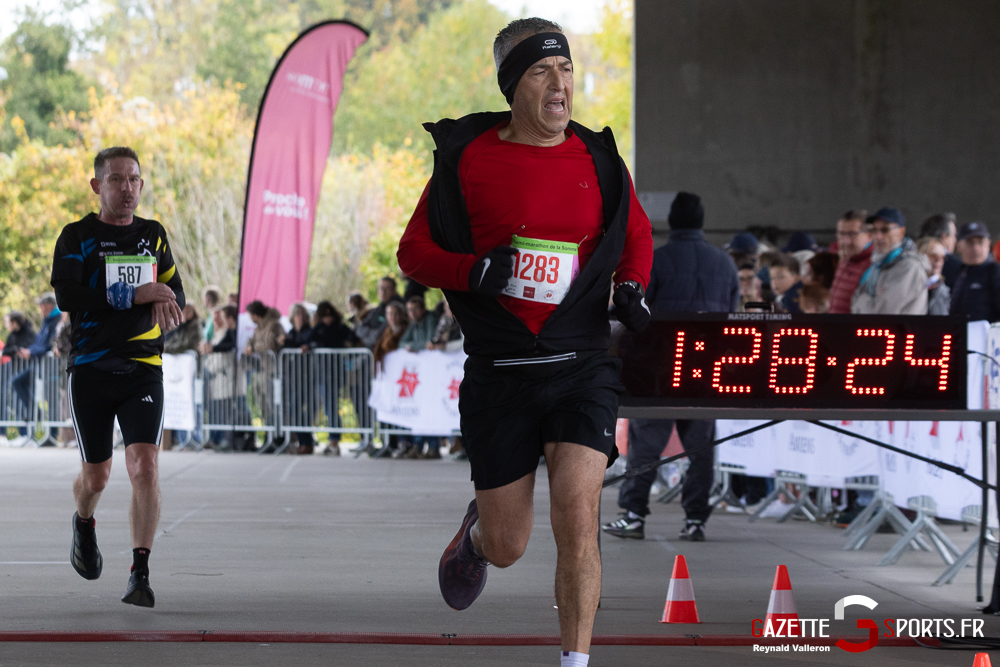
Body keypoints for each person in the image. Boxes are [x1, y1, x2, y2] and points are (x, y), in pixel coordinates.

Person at [396, 18, 653, 666]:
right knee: (511, 542)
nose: (560, 81)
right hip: (502, 371)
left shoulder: (598, 159)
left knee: (578, 511)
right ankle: (478, 539)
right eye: (542, 70)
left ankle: (575, 660)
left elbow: (635, 235)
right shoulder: (470, 159)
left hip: (582, 365)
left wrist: (632, 287)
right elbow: (413, 251)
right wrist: (472, 271)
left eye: (565, 67)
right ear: (514, 86)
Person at [50, 146, 185, 608]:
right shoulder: (77, 236)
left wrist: (166, 298)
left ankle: (140, 573)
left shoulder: (153, 235)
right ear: (97, 185)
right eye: (116, 180)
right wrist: (135, 294)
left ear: (141, 185)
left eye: (134, 180)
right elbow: (69, 295)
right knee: (97, 477)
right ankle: (83, 523)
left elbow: (173, 290)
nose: (126, 188)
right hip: (90, 368)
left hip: (143, 368)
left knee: (145, 467)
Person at [603, 192, 732, 545]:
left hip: (660, 371)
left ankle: (633, 516)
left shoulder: (656, 261)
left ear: (671, 222)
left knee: (646, 444)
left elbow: (636, 314)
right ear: (702, 222)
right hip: (708, 372)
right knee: (700, 449)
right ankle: (694, 521)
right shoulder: (725, 264)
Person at [851, 207, 927, 315]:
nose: (878, 236)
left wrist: (863, 300)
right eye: (874, 230)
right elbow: (855, 304)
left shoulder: (909, 267)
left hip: (898, 331)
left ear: (901, 232)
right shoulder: (878, 265)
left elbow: (883, 313)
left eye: (885, 230)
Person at [11, 293, 63, 427]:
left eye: (42, 305)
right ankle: (36, 414)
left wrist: (31, 352)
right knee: (18, 382)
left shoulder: (57, 319)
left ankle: (51, 433)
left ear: (49, 305)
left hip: (50, 365)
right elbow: (38, 342)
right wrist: (27, 351)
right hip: (40, 363)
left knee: (51, 399)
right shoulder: (46, 321)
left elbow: (50, 344)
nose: (40, 308)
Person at [950, 221, 1000, 322]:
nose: (976, 248)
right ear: (958, 246)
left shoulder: (995, 272)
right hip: (958, 334)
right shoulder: (955, 272)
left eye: (980, 242)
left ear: (988, 244)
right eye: (970, 243)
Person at [828, 210, 872, 313]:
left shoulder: (873, 266)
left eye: (852, 234)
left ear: (869, 236)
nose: (845, 241)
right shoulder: (845, 259)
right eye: (841, 234)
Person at [355, 277, 404, 349]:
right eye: (380, 288)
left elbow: (382, 333)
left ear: (394, 290)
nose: (383, 291)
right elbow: (360, 328)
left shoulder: (399, 308)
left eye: (386, 288)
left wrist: (369, 337)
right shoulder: (377, 310)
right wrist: (371, 335)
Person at [919, 213, 960, 288]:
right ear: (943, 237)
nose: (938, 261)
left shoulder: (906, 256)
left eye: (942, 258)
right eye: (953, 235)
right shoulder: (956, 268)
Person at [917, 237, 951, 316]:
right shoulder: (908, 284)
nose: (938, 260)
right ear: (920, 255)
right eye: (933, 256)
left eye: (942, 257)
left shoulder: (944, 290)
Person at [372, 301, 408, 368]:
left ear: (402, 315)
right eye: (390, 314)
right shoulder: (384, 331)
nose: (393, 317)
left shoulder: (408, 330)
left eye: (396, 314)